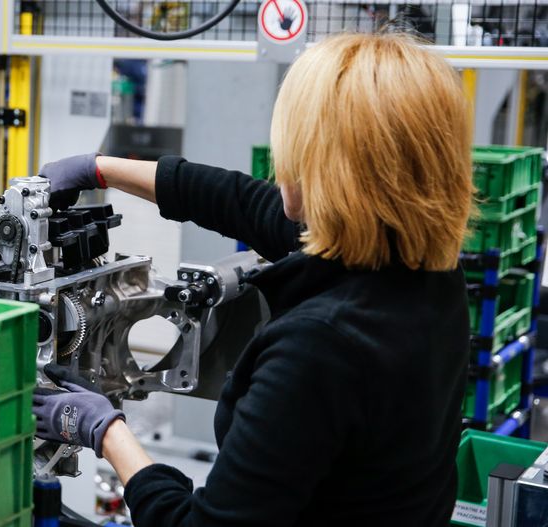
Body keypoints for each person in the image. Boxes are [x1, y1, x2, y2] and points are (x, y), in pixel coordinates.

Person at [32, 32, 474, 526]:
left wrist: (106, 430)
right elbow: (243, 202)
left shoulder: (318, 349)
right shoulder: (429, 271)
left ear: (324, 171)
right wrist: (99, 170)